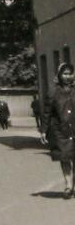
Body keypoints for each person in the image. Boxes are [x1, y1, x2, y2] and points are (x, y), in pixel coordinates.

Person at [40, 62, 75, 199]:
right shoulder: (53, 92)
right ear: (59, 75)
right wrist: (43, 130)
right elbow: (47, 113)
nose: (68, 76)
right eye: (65, 74)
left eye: (70, 73)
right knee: (64, 157)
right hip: (61, 130)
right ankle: (68, 186)